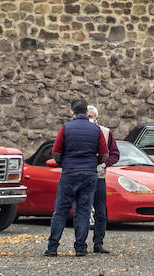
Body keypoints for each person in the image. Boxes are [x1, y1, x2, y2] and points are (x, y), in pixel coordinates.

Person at [45, 98, 109, 257]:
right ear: (87, 111)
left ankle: (52, 247)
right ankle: (80, 247)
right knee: (84, 211)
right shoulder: (96, 130)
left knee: (60, 211)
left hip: (70, 172)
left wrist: (63, 164)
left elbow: (56, 152)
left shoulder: (65, 128)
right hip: (89, 173)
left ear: (71, 111)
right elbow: (105, 154)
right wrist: (95, 162)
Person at [86, 104, 120, 255]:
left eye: (91, 117)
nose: (88, 119)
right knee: (82, 210)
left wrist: (105, 164)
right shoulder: (78, 131)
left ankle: (98, 242)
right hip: (84, 174)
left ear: (97, 118)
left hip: (99, 175)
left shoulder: (106, 132)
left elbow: (115, 154)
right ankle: (80, 243)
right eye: (86, 116)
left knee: (100, 211)